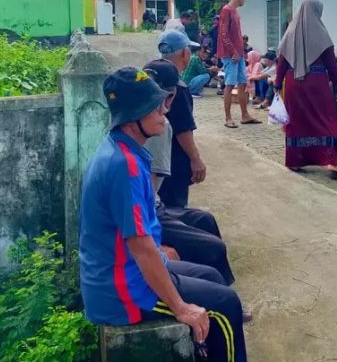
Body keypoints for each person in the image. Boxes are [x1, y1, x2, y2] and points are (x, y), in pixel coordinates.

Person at [79, 67, 246, 362]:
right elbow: (140, 248)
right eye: (154, 107)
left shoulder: (124, 150)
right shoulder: (123, 166)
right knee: (226, 304)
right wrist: (180, 307)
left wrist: (162, 254)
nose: (164, 111)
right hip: (122, 290)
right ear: (133, 116)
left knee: (211, 275)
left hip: (126, 271)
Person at [143, 60, 236, 287]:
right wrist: (155, 244)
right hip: (148, 214)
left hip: (153, 207)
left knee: (204, 220)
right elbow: (143, 197)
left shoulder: (148, 121)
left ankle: (218, 287)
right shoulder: (155, 127)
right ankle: (215, 290)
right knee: (212, 248)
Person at [275, 0, 337, 179]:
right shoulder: (322, 34)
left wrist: (277, 84)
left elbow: (282, 63)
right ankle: (332, 162)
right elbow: (332, 65)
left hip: (293, 83)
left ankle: (295, 161)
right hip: (317, 83)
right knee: (326, 119)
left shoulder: (289, 33)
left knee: (297, 121)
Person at [155, 30, 207, 208]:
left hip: (153, 159)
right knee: (174, 209)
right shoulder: (178, 87)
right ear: (185, 53)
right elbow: (183, 130)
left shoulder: (153, 77)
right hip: (173, 162)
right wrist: (195, 159)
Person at [217, 0, 259, 128]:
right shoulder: (226, 10)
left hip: (239, 54)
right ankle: (228, 118)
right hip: (231, 55)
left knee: (242, 83)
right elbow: (223, 34)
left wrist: (240, 52)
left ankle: (245, 115)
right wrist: (233, 51)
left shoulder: (235, 11)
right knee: (229, 84)